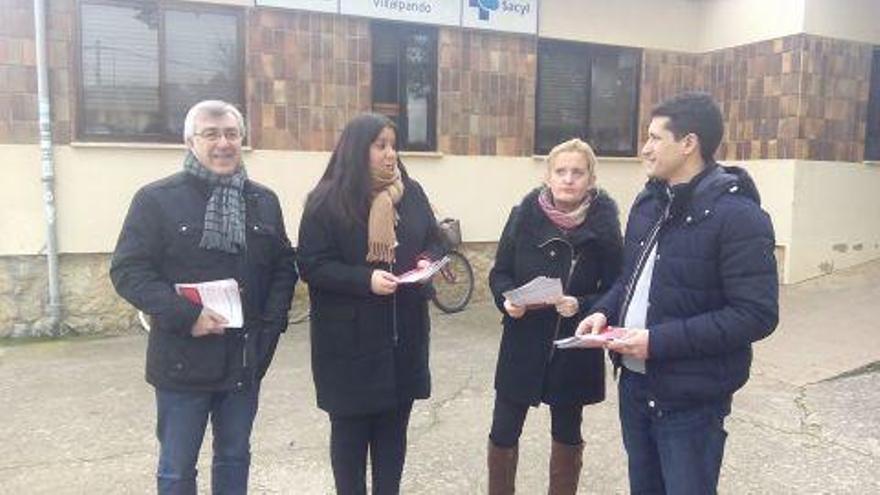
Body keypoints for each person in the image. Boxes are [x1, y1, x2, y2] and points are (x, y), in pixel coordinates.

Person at [575, 92, 779, 494]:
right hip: (634, 387)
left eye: (655, 138)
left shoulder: (738, 217)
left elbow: (756, 313)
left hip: (692, 399)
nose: (645, 148)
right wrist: (604, 312)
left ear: (688, 144)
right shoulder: (650, 202)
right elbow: (629, 280)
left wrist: (658, 341)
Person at [110, 100, 297, 494]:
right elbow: (129, 271)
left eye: (231, 134)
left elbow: (283, 265)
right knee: (177, 470)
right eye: (211, 134)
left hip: (244, 361)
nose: (223, 143)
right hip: (182, 361)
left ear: (242, 139)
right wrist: (185, 314)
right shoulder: (156, 200)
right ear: (189, 141)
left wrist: (271, 327)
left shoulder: (263, 201)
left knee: (234, 458)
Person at [297, 113, 447, 495]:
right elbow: (312, 265)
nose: (390, 154)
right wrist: (365, 280)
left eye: (393, 145)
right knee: (349, 446)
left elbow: (436, 236)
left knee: (393, 440)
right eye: (380, 145)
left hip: (404, 340)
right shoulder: (326, 201)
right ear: (356, 149)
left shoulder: (410, 192)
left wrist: (429, 258)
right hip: (350, 347)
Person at [487, 138, 623, 494]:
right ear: (547, 176)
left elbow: (617, 288)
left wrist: (583, 303)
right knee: (503, 429)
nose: (568, 179)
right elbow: (500, 273)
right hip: (523, 341)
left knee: (566, 431)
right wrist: (506, 301)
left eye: (577, 172)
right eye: (560, 171)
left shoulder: (604, 228)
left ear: (591, 179)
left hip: (572, 345)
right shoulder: (523, 217)